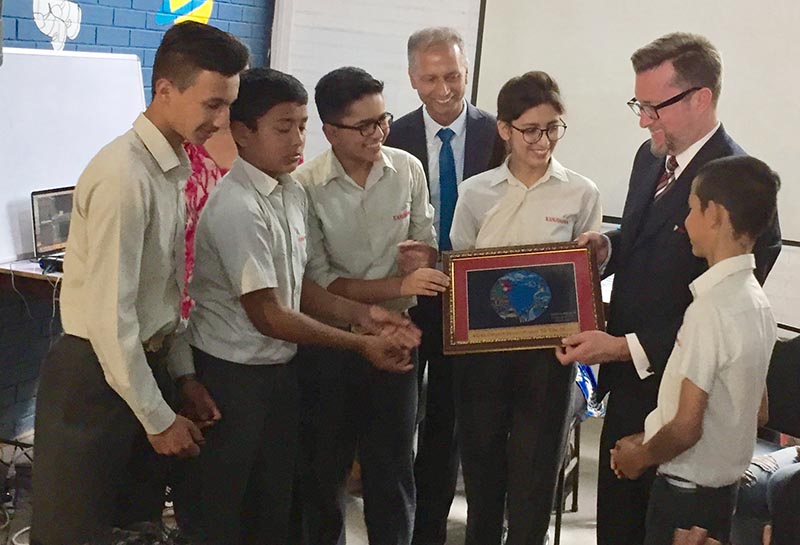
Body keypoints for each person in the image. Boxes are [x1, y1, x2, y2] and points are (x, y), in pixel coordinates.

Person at [555, 32, 783, 545]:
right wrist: (607, 247)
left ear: (700, 98)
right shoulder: (649, 156)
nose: (644, 120)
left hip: (687, 414)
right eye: (639, 105)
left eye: (654, 107)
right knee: (618, 528)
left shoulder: (740, 192)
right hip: (626, 390)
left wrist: (623, 347)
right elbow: (642, 236)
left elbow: (725, 312)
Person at [30, 21, 249, 545]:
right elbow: (111, 317)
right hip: (95, 377)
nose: (222, 122)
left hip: (142, 367)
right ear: (165, 90)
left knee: (136, 527)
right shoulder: (125, 176)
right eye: (212, 105)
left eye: (228, 106)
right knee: (78, 532)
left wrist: (182, 377)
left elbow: (165, 294)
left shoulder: (170, 167)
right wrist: (158, 418)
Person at [182, 67, 419, 545]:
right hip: (233, 377)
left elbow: (302, 288)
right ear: (242, 132)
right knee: (226, 513)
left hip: (280, 372)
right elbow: (268, 314)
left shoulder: (289, 190)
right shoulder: (238, 206)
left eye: (302, 126)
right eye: (283, 128)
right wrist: (360, 344)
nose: (297, 140)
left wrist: (366, 316)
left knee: (278, 508)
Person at [292, 66, 447, 545]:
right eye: (364, 126)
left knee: (392, 471)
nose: (378, 133)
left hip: (398, 337)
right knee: (324, 470)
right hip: (331, 342)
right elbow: (320, 281)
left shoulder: (407, 169)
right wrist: (396, 285)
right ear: (330, 131)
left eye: (383, 120)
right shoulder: (304, 186)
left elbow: (424, 238)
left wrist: (423, 259)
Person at [449, 70, 602, 545]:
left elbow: (586, 275)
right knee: (482, 472)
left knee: (535, 478)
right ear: (504, 129)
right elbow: (460, 268)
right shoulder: (477, 191)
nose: (543, 141)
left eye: (553, 128)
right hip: (483, 356)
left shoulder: (581, 192)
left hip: (548, 358)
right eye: (531, 130)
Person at [608, 155, 780, 545]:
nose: (685, 223)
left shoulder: (710, 309)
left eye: (690, 209)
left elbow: (687, 427)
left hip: (684, 500)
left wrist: (639, 457)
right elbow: (758, 411)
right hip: (722, 494)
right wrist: (649, 434)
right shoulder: (757, 302)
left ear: (714, 214)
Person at [383, 28, 503, 545]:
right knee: (397, 420)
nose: (444, 89)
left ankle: (429, 533)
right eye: (430, 78)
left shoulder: (498, 135)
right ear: (412, 79)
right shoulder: (392, 137)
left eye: (453, 75)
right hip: (409, 299)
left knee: (447, 427)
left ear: (467, 72)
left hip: (474, 300)